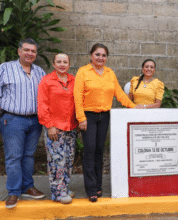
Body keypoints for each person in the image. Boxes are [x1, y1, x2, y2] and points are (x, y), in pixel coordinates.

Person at [74, 43, 140, 202]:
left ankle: (98, 185)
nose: (100, 58)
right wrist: (81, 118)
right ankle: (90, 189)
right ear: (91, 55)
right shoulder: (83, 72)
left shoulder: (110, 73)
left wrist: (135, 107)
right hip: (88, 116)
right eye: (97, 54)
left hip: (104, 117)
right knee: (89, 151)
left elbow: (119, 94)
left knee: (99, 151)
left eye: (103, 55)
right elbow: (77, 96)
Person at [0, 38, 46, 209]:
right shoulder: (5, 68)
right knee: (14, 156)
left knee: (28, 156)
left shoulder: (39, 72)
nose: (30, 54)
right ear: (19, 51)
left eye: (33, 51)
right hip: (12, 119)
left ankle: (27, 186)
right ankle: (13, 191)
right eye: (26, 50)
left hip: (35, 121)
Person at [37, 53, 78, 204]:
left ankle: (64, 188)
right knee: (56, 162)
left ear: (69, 64)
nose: (62, 64)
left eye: (65, 62)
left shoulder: (74, 80)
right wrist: (49, 126)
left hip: (71, 127)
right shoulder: (47, 81)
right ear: (53, 64)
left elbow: (78, 102)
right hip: (55, 128)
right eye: (59, 61)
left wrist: (78, 121)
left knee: (68, 160)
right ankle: (57, 193)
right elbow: (42, 105)